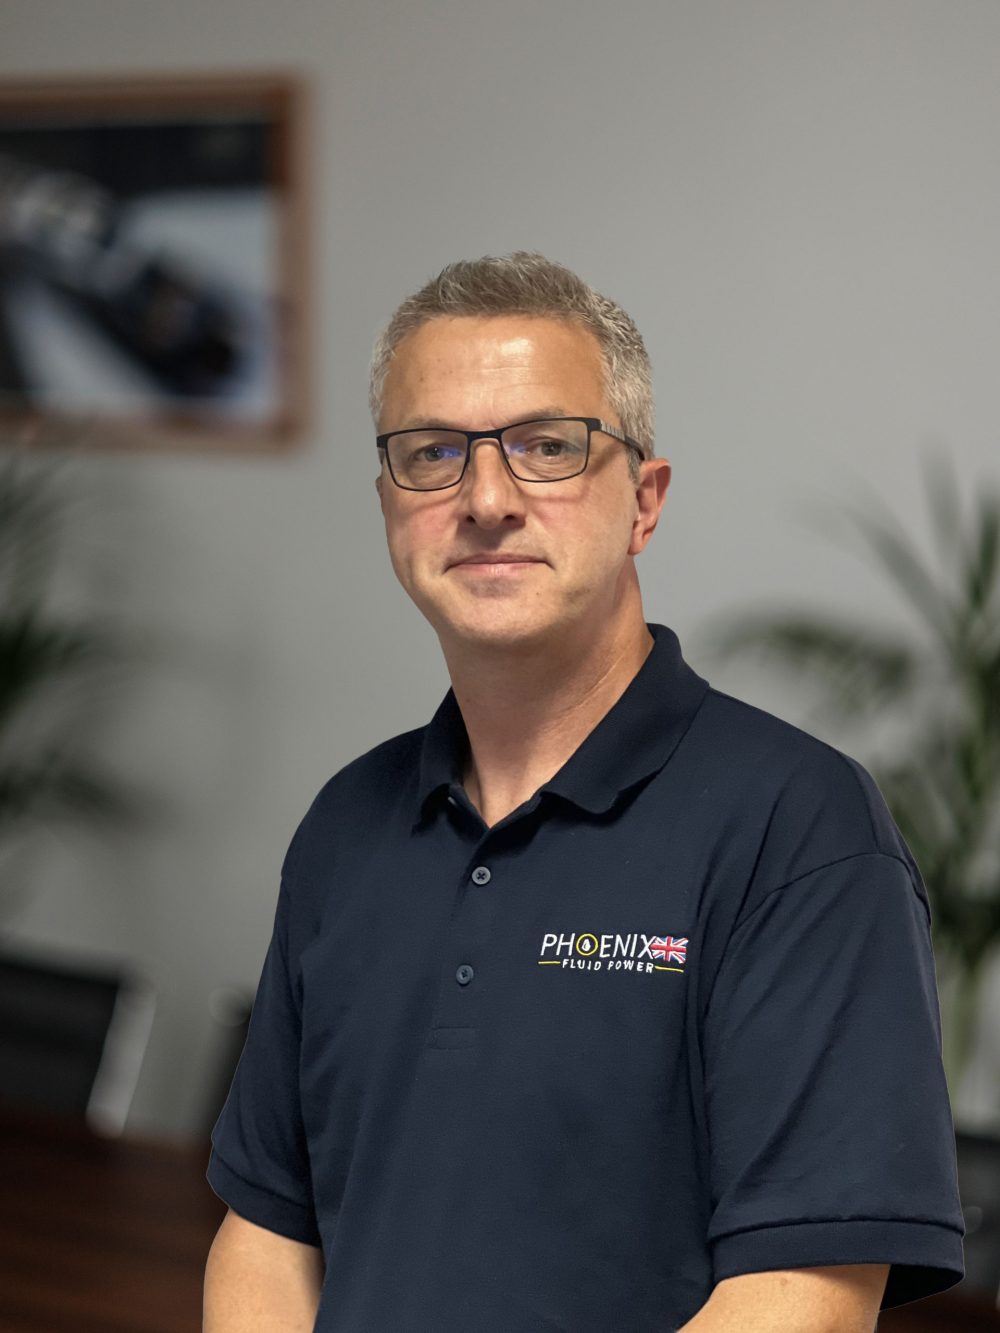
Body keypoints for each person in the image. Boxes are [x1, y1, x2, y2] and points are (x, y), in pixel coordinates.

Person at [203, 252, 964, 1331]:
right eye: (432, 454)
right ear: (388, 505)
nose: (485, 500)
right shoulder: (347, 822)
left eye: (547, 447)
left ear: (643, 501)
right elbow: (269, 1231)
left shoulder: (799, 829)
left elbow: (807, 1296)